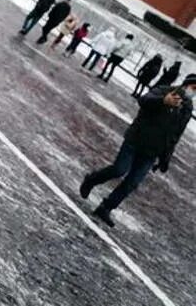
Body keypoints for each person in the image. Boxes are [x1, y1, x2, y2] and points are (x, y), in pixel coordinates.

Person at [80, 75, 195, 227]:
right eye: (194, 88)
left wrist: (165, 157)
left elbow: (175, 134)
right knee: (119, 170)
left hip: (152, 151)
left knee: (132, 183)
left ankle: (106, 207)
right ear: (186, 85)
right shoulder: (163, 90)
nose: (193, 92)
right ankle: (92, 179)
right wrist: (162, 101)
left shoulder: (187, 106)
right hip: (136, 140)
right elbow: (143, 101)